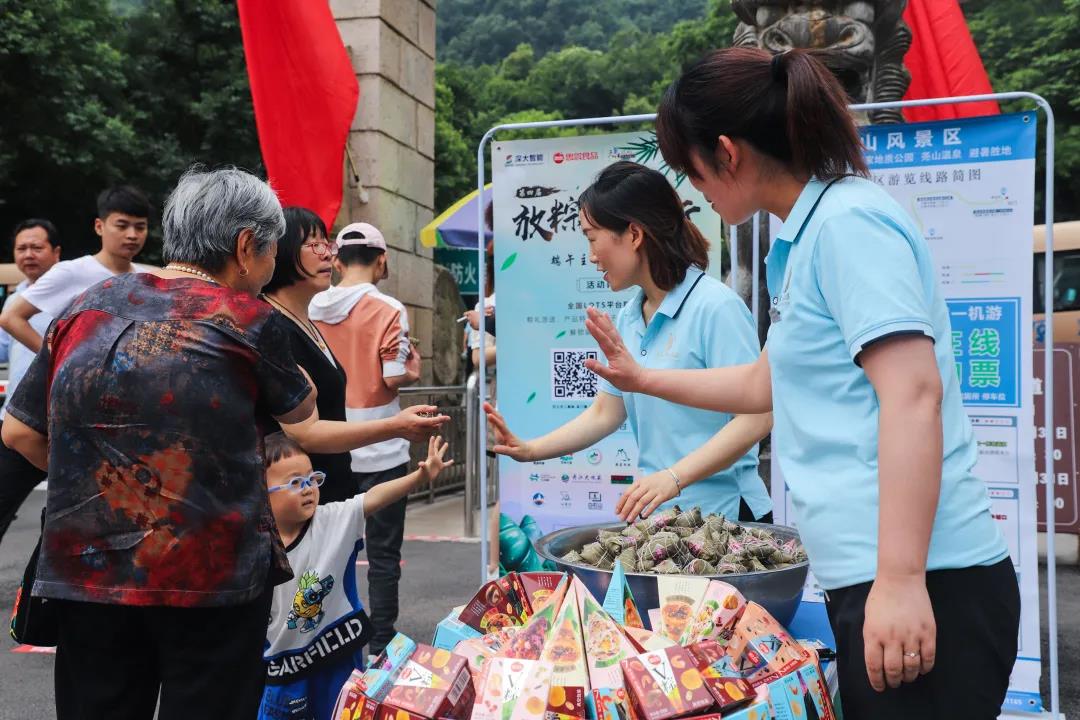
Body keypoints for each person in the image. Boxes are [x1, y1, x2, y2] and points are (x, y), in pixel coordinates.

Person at [583, 48, 1018, 718]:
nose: (691, 188)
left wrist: (901, 580)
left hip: (926, 576)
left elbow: (913, 395)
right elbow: (766, 383)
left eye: (690, 166)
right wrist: (643, 378)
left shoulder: (848, 225)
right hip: (874, 574)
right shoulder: (805, 236)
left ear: (727, 153)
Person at [0, 167, 434, 720]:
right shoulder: (249, 319)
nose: (272, 265)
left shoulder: (91, 304)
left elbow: (18, 431)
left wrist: (111, 487)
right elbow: (303, 423)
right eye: (273, 251)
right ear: (246, 246)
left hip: (88, 577)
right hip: (212, 582)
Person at [485, 161, 773, 527]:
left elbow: (758, 417)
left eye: (592, 238)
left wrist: (673, 477)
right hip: (663, 520)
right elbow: (607, 412)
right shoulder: (629, 316)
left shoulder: (716, 307)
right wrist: (530, 450)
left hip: (728, 518)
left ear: (634, 235)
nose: (590, 255)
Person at [258, 432, 452, 720]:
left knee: (344, 714)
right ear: (260, 493)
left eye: (313, 478)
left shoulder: (332, 520)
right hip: (283, 665)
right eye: (295, 483)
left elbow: (371, 498)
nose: (309, 488)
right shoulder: (253, 544)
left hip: (336, 653)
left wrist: (418, 479)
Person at [263, 208, 446, 505]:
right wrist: (397, 424)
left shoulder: (307, 319)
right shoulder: (271, 328)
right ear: (280, 252)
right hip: (300, 500)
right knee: (383, 550)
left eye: (328, 245)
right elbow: (305, 432)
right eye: (315, 245)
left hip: (331, 486)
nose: (327, 255)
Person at [309, 222, 421, 658]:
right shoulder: (389, 308)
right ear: (382, 260)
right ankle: (381, 643)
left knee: (325, 551)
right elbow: (392, 377)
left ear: (336, 261)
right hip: (382, 448)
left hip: (327, 446)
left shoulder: (312, 306)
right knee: (383, 555)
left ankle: (324, 637)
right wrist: (412, 369)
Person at [0, 185, 151, 353]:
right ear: (99, 226)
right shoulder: (72, 272)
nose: (132, 235)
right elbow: (10, 318)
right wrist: (56, 359)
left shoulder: (146, 278)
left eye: (140, 227)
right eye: (122, 226)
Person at [0, 218, 60, 546]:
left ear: (56, 253)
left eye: (37, 247)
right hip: (16, 426)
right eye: (21, 248)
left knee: (67, 517)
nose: (28, 254)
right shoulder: (14, 300)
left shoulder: (74, 295)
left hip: (64, 424)